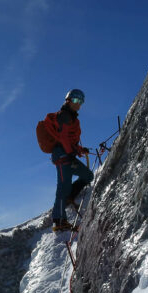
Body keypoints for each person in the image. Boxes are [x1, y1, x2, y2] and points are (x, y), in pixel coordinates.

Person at [44, 89, 93, 232]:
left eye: (81, 101)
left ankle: (70, 196)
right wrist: (72, 152)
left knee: (88, 175)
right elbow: (63, 137)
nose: (79, 104)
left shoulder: (72, 118)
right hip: (62, 156)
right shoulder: (64, 116)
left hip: (68, 154)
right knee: (63, 186)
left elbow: (69, 140)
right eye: (76, 100)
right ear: (68, 100)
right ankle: (59, 221)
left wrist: (79, 150)